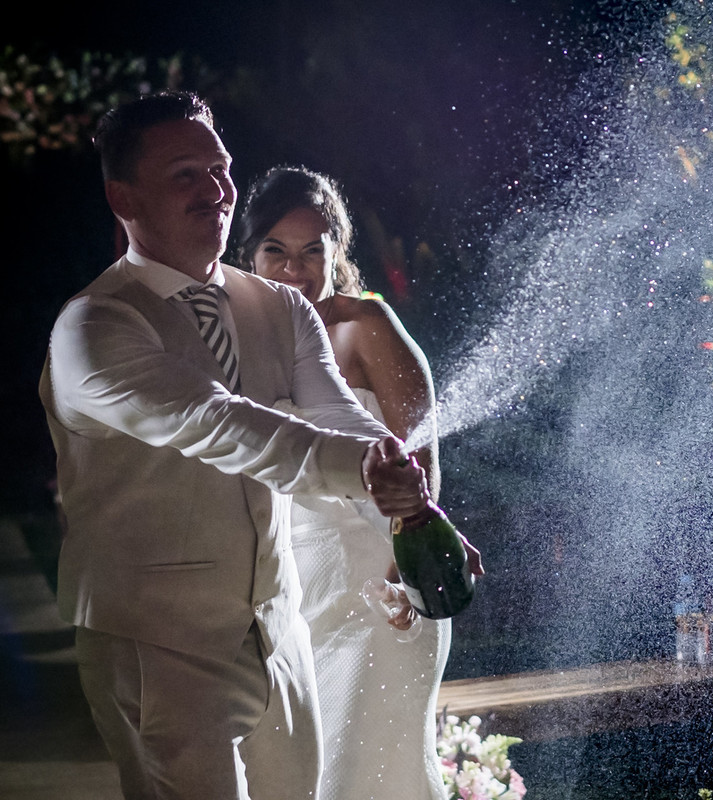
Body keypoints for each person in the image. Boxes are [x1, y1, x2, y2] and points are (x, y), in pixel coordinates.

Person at [39, 92, 430, 800]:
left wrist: (419, 505)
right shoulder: (94, 327)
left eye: (219, 169)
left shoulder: (277, 308)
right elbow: (220, 424)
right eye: (185, 173)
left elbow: (340, 416)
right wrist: (371, 471)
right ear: (121, 195)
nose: (216, 189)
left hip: (281, 632)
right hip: (158, 644)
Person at [239, 165, 480, 800]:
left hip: (379, 594)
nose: (295, 268)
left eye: (314, 249)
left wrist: (412, 569)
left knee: (359, 777)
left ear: (337, 250)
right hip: (292, 601)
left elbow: (421, 467)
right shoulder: (239, 338)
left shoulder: (365, 326)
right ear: (249, 253)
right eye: (277, 251)